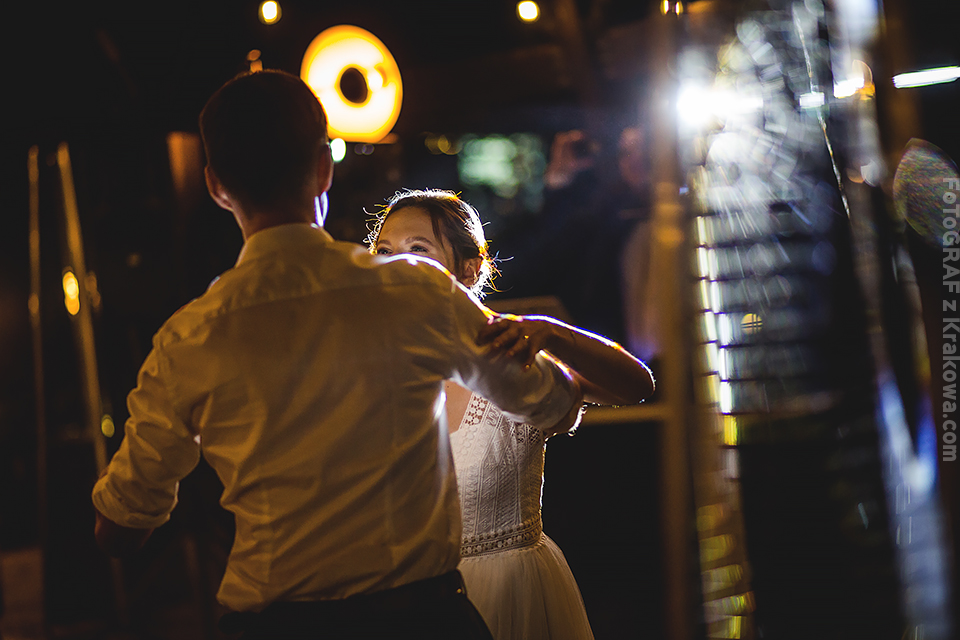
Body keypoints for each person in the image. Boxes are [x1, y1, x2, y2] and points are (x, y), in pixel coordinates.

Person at [90, 70, 584, 640]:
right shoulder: (417, 293)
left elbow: (120, 528)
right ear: (324, 168)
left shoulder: (189, 339)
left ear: (216, 186)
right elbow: (556, 404)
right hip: (420, 621)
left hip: (278, 628)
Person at [368, 189, 655, 640]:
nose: (396, 266)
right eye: (384, 252)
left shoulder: (511, 362)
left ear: (469, 269)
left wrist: (553, 334)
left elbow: (636, 386)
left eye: (417, 250)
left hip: (510, 594)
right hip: (411, 598)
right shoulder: (371, 369)